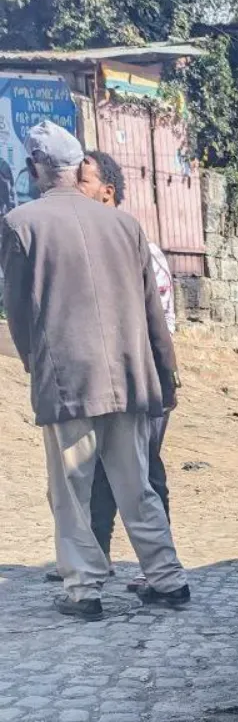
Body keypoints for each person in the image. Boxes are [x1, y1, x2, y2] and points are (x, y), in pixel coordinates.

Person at [0, 121, 190, 621]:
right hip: (129, 377)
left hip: (69, 381)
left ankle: (83, 589)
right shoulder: (125, 226)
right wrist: (164, 374)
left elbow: (17, 314)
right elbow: (153, 314)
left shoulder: (21, 223)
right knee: (135, 485)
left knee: (71, 491)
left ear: (36, 168)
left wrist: (37, 366)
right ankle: (168, 579)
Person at [76, 149, 174, 584]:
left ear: (107, 192)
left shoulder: (138, 247)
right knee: (100, 469)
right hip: (109, 378)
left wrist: (161, 382)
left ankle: (162, 570)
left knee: (144, 471)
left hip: (143, 379)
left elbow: (159, 325)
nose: (74, 192)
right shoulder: (91, 246)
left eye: (82, 182)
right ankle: (98, 556)